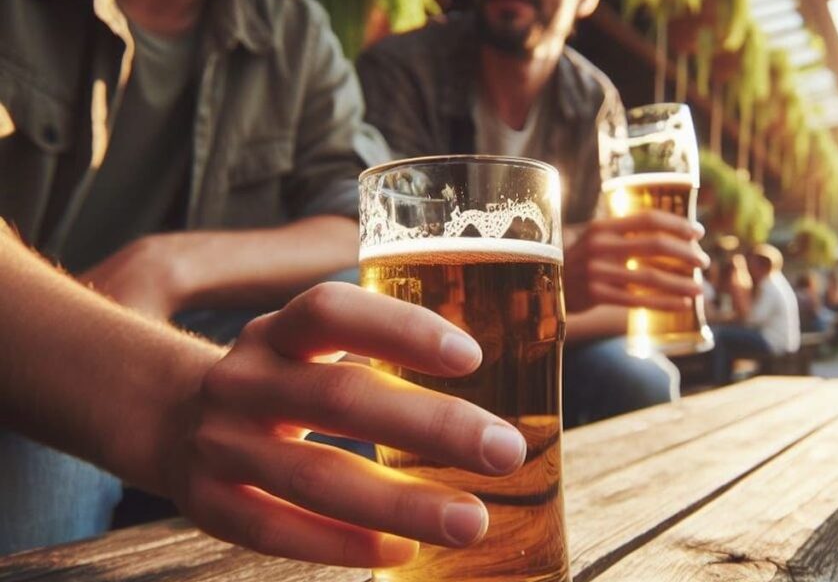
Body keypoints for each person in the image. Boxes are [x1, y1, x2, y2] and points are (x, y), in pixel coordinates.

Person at [0, 0, 393, 549]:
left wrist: (170, 264)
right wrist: (153, 385)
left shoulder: (293, 34)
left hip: (191, 395)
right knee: (45, 457)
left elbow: (367, 215)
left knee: (355, 333)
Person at [356, 0, 709, 427]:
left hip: (538, 347)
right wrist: (555, 281)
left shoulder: (594, 101)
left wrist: (570, 298)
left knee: (643, 379)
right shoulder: (402, 71)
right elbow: (378, 282)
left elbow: (617, 306)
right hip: (421, 353)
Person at [0, 224, 527, 562]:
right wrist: (172, 400)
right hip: (50, 333)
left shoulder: (299, 51)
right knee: (43, 469)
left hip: (223, 327)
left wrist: (166, 262)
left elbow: (354, 218)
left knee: (374, 368)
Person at [708, 244, 800, 385]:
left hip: (773, 341)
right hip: (782, 340)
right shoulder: (777, 282)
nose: (750, 270)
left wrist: (735, 310)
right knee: (729, 337)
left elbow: (753, 320)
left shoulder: (768, 286)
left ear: (762, 265)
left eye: (752, 265)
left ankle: (719, 381)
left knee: (721, 336)